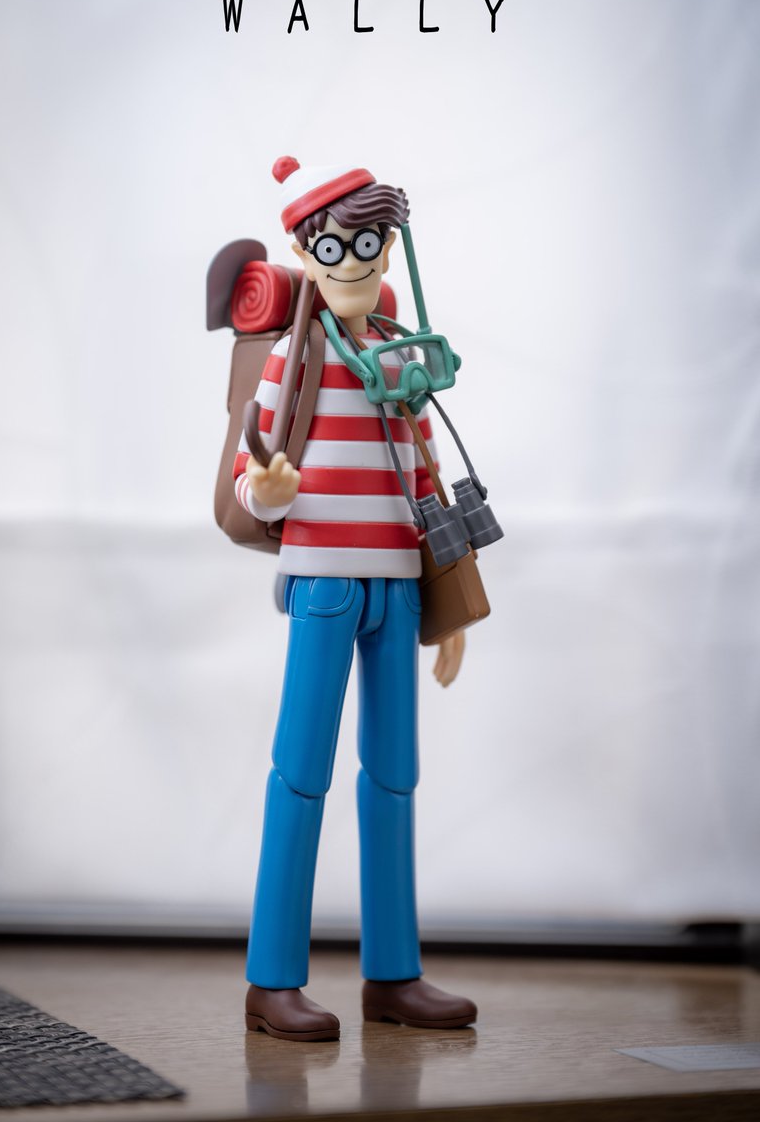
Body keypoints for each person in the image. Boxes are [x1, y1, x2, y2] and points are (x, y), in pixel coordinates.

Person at [234, 157, 476, 1041]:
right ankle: (272, 982)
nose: (356, 261)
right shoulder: (294, 358)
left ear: (390, 248)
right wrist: (269, 489)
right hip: (327, 586)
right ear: (307, 252)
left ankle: (394, 974)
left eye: (371, 242)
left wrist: (450, 599)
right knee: (301, 774)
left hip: (399, 587)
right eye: (336, 246)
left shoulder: (401, 357)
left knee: (395, 775)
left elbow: (426, 476)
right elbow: (252, 471)